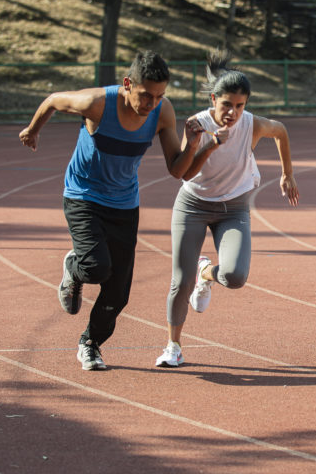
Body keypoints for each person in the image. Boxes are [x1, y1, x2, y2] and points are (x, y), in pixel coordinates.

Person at [19, 51, 203, 371]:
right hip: (84, 196)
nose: (151, 103)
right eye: (145, 95)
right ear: (127, 84)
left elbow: (177, 170)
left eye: (159, 96)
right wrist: (33, 130)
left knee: (118, 293)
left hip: (124, 204)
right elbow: (52, 100)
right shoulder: (97, 103)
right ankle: (74, 268)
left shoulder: (162, 112)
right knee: (95, 268)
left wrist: (194, 145)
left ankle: (90, 343)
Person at [155, 47, 299, 368]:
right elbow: (184, 173)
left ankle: (206, 271)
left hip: (233, 208)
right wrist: (207, 144)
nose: (232, 112)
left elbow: (282, 131)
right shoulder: (196, 125)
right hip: (192, 204)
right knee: (181, 281)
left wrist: (287, 174)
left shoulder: (252, 125)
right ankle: (173, 346)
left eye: (240, 105)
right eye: (226, 105)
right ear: (212, 101)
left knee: (234, 277)